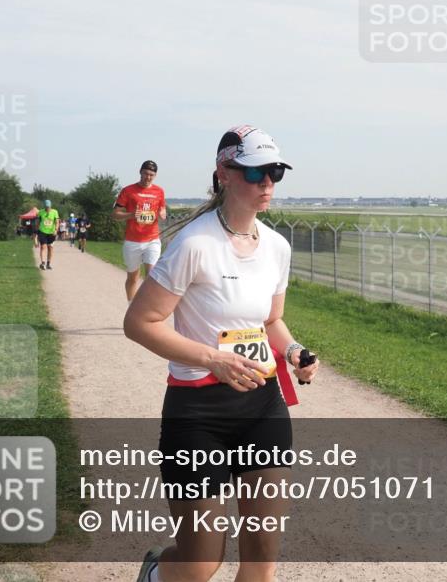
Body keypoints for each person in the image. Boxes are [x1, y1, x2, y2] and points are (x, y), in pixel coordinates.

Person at [124, 125, 319, 582]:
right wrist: (214, 359)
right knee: (201, 563)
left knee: (262, 558)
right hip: (198, 414)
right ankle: (155, 572)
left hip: (262, 406)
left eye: (275, 172)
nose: (267, 182)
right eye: (255, 172)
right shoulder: (195, 244)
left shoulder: (277, 247)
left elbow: (271, 321)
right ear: (224, 174)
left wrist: (294, 351)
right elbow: (139, 323)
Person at [113, 160, 168, 300]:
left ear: (155, 176)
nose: (148, 177)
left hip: (152, 239)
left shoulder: (159, 191)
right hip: (133, 241)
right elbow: (115, 214)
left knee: (151, 276)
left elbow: (162, 208)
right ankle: (131, 305)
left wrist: (162, 213)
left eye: (151, 175)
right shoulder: (128, 191)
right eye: (145, 173)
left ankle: (144, 308)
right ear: (140, 172)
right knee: (133, 278)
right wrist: (131, 215)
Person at [36, 199, 59, 270]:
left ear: (50, 206)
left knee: (50, 248)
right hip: (42, 231)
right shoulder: (40, 212)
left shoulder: (55, 212)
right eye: (46, 207)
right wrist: (36, 232)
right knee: (43, 247)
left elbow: (57, 222)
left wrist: (56, 230)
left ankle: (48, 263)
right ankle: (43, 263)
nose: (47, 208)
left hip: (51, 233)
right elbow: (38, 222)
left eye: (48, 207)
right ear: (44, 206)